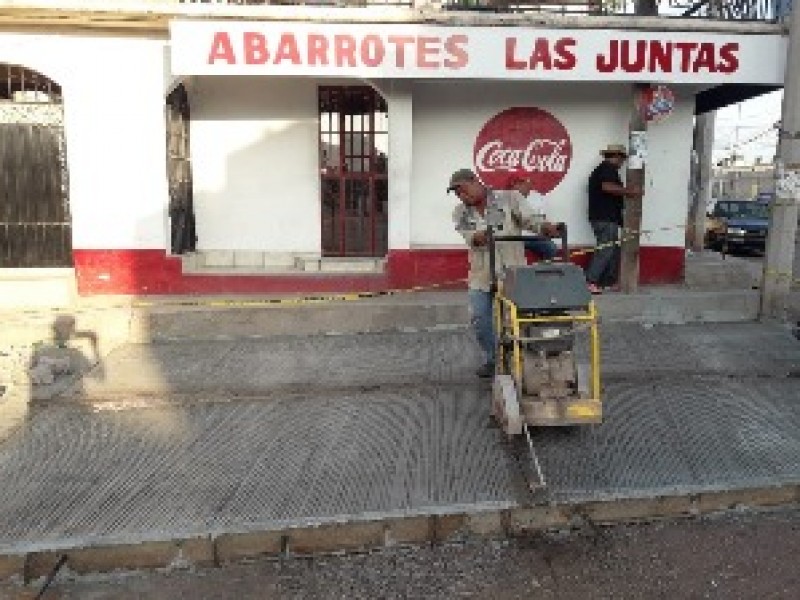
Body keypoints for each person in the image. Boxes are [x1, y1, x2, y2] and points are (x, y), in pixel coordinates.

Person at [448, 168, 559, 378]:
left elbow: (531, 221)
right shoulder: (460, 212)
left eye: (463, 190)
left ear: (475, 182)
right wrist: (479, 236)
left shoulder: (510, 198)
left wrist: (547, 228)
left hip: (512, 272)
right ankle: (494, 358)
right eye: (457, 194)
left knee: (519, 319)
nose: (462, 196)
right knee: (480, 319)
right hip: (481, 275)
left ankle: (526, 359)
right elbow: (470, 236)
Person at [585, 144, 642, 294]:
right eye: (622, 158)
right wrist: (629, 191)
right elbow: (607, 187)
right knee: (606, 249)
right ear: (616, 156)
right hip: (604, 217)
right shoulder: (607, 169)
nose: (622, 162)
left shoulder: (604, 169)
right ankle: (590, 281)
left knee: (612, 249)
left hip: (605, 217)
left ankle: (605, 282)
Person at [507, 176, 559, 261]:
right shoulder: (506, 198)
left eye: (521, 183)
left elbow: (541, 221)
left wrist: (548, 229)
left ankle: (543, 271)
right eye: (515, 184)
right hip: (513, 238)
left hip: (533, 237)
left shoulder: (537, 198)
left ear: (529, 185)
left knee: (551, 247)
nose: (517, 187)